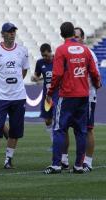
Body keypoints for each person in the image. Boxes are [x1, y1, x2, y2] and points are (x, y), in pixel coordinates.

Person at [44, 22, 101, 174]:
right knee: (81, 131)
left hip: (67, 96)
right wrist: (97, 84)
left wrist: (50, 92)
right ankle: (78, 165)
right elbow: (94, 72)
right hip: (84, 96)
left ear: (62, 34)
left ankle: (56, 164)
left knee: (59, 129)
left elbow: (56, 75)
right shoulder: (85, 49)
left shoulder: (61, 50)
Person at [0, 22, 30, 169]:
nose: (12, 33)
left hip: (18, 96)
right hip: (0, 97)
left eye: (13, 31)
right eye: (9, 31)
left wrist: (14, 83)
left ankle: (8, 159)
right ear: (3, 34)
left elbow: (23, 71)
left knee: (15, 129)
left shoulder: (22, 51)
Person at [61, 27, 100, 172]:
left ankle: (87, 162)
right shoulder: (65, 52)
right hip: (69, 95)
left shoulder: (89, 53)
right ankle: (63, 160)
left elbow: (96, 76)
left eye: (77, 37)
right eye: (73, 36)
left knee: (87, 129)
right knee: (63, 127)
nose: (74, 39)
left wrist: (95, 86)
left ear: (83, 38)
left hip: (86, 96)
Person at [31, 43, 58, 146]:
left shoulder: (58, 60)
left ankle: (58, 143)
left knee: (57, 119)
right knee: (47, 120)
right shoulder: (40, 63)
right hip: (47, 96)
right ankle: (53, 142)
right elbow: (37, 76)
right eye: (43, 55)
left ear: (51, 52)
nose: (45, 57)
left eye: (46, 55)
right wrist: (35, 78)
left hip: (58, 94)